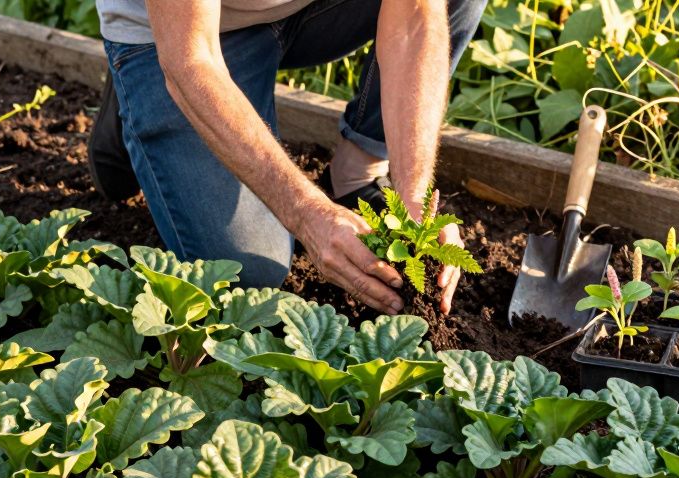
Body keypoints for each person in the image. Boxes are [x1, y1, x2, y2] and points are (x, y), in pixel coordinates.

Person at [88, 0, 486, 315]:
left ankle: (359, 167)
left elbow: (414, 18)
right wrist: (306, 212)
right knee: (248, 275)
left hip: (309, 11)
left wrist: (414, 193)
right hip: (185, 38)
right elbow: (191, 61)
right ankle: (133, 88)